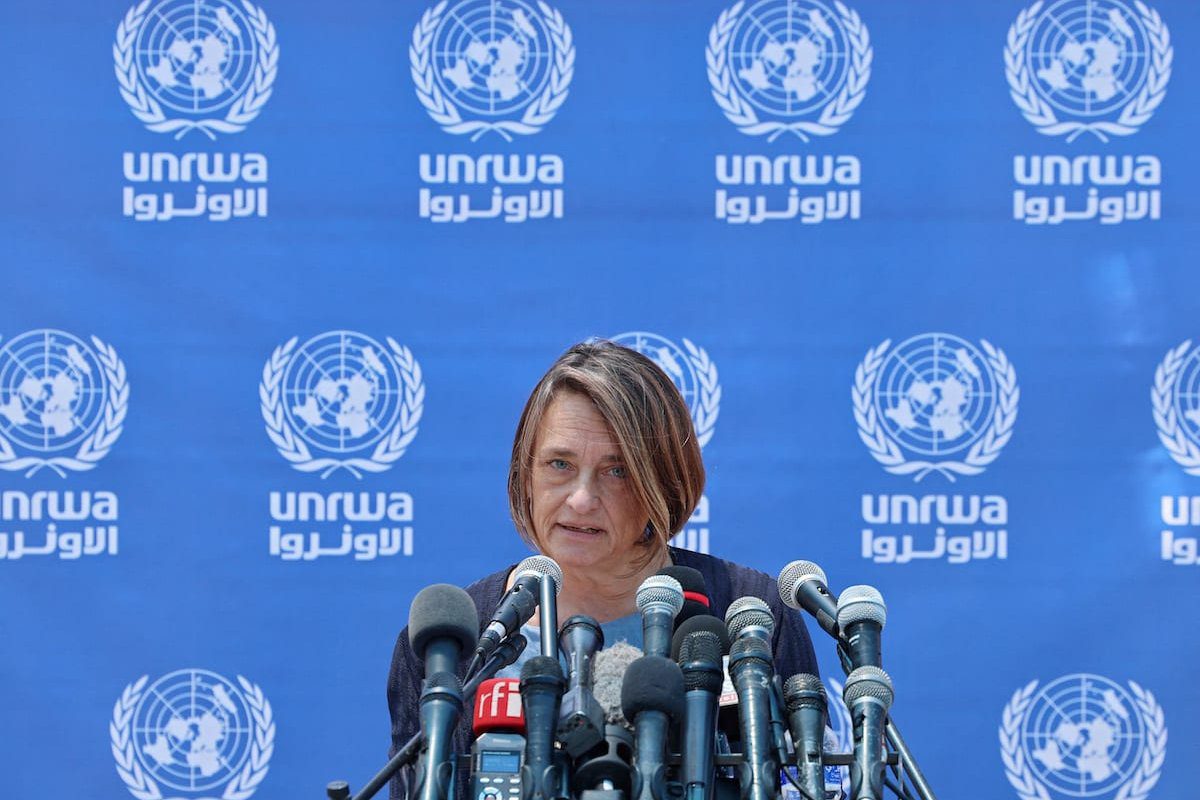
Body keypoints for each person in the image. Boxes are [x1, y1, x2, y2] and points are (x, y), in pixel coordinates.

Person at [387, 340, 819, 797]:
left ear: (664, 483)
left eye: (618, 472)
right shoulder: (449, 643)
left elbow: (809, 777)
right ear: (524, 474)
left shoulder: (750, 614)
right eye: (559, 464)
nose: (581, 500)